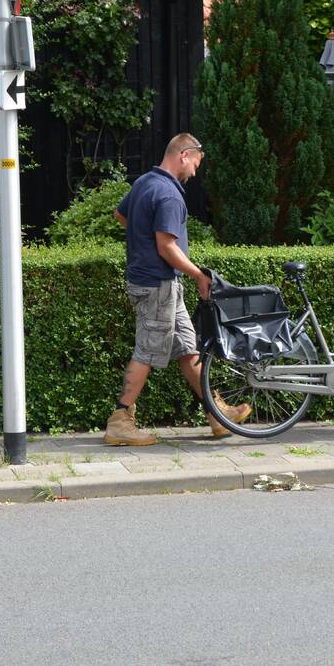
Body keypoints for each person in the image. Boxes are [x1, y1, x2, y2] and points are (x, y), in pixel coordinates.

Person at [103, 133, 250, 446]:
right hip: (157, 284)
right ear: (184, 155)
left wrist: (141, 243)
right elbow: (166, 245)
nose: (195, 173)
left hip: (160, 282)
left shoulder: (144, 182)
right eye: (195, 164)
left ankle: (216, 415)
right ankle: (120, 419)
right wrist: (198, 274)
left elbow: (121, 215)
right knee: (147, 349)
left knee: (187, 346)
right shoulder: (169, 195)